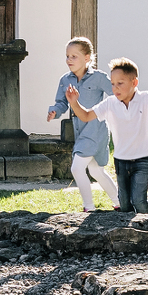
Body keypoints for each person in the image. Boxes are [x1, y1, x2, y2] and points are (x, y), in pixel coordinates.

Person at [67, 58, 148, 213]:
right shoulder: (110, 103)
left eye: (120, 83)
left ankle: (147, 229)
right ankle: (127, 233)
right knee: (124, 204)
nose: (115, 88)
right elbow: (86, 116)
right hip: (121, 160)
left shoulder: (145, 99)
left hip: (143, 159)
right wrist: (74, 103)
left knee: (139, 199)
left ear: (134, 83)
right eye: (112, 84)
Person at [47, 36, 119, 212]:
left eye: (74, 56)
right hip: (79, 129)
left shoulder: (100, 77)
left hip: (96, 129)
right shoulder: (65, 80)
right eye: (67, 56)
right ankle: (120, 202)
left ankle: (89, 207)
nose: (69, 60)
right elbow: (62, 102)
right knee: (96, 171)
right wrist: (55, 111)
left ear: (87, 58)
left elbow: (117, 95)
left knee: (77, 168)